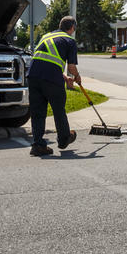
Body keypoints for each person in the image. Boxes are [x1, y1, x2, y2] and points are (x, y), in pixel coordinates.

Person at [27, 16, 83, 157]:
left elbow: (45, 60)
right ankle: (64, 139)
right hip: (51, 79)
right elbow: (71, 67)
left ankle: (38, 145)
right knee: (58, 109)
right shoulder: (70, 41)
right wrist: (77, 76)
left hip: (33, 76)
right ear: (72, 27)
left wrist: (64, 77)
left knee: (38, 112)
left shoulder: (46, 36)